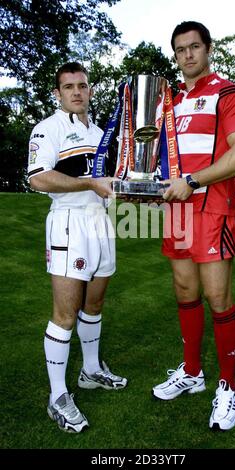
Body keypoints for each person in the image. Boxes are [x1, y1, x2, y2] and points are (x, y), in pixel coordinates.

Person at [152, 21, 235, 431]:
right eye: (180, 50)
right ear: (175, 55)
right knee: (184, 291)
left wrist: (193, 181)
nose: (188, 55)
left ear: (208, 49)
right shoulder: (169, 102)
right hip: (176, 211)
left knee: (218, 297)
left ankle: (227, 386)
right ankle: (193, 373)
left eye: (195, 47)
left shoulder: (228, 93)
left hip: (212, 207)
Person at [28, 62, 127, 434]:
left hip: (100, 222)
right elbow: (38, 178)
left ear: (89, 90)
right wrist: (89, 183)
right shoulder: (48, 128)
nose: (76, 92)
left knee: (95, 304)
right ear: (58, 93)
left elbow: (110, 182)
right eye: (68, 87)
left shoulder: (101, 133)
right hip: (69, 223)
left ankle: (89, 370)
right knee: (65, 314)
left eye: (82, 86)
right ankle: (57, 396)